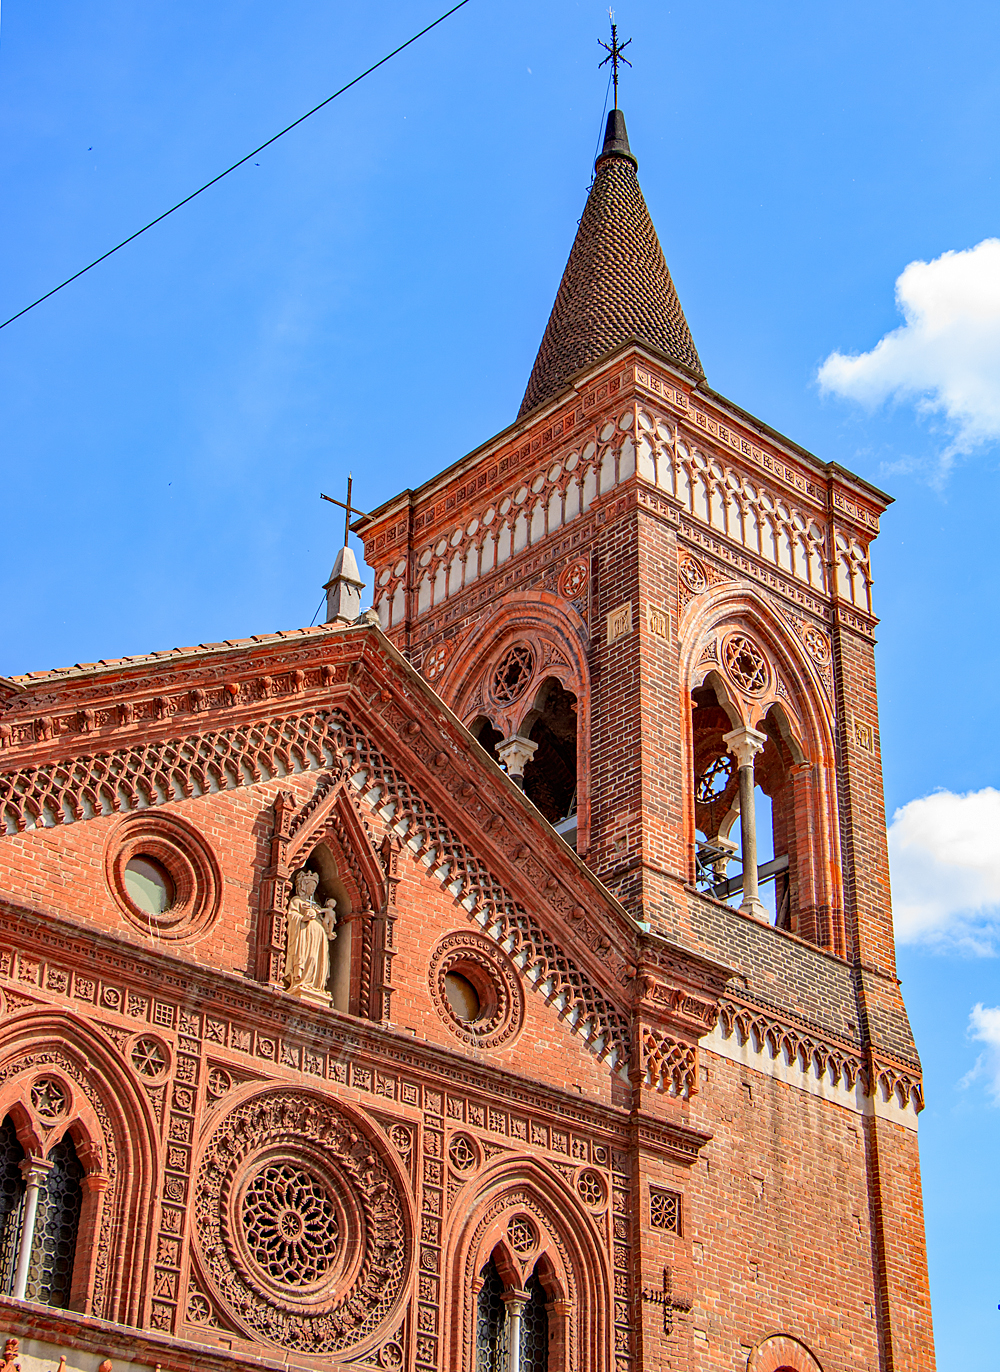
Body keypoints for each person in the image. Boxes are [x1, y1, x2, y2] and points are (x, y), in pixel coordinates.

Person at [284, 869, 337, 1001]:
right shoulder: (297, 901)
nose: (312, 889)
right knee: (306, 957)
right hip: (303, 937)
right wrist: (304, 918)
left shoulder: (316, 905)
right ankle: (301, 981)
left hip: (318, 940)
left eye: (314, 887)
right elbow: (292, 915)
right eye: (310, 886)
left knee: (315, 960)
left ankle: (316, 984)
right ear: (303, 886)